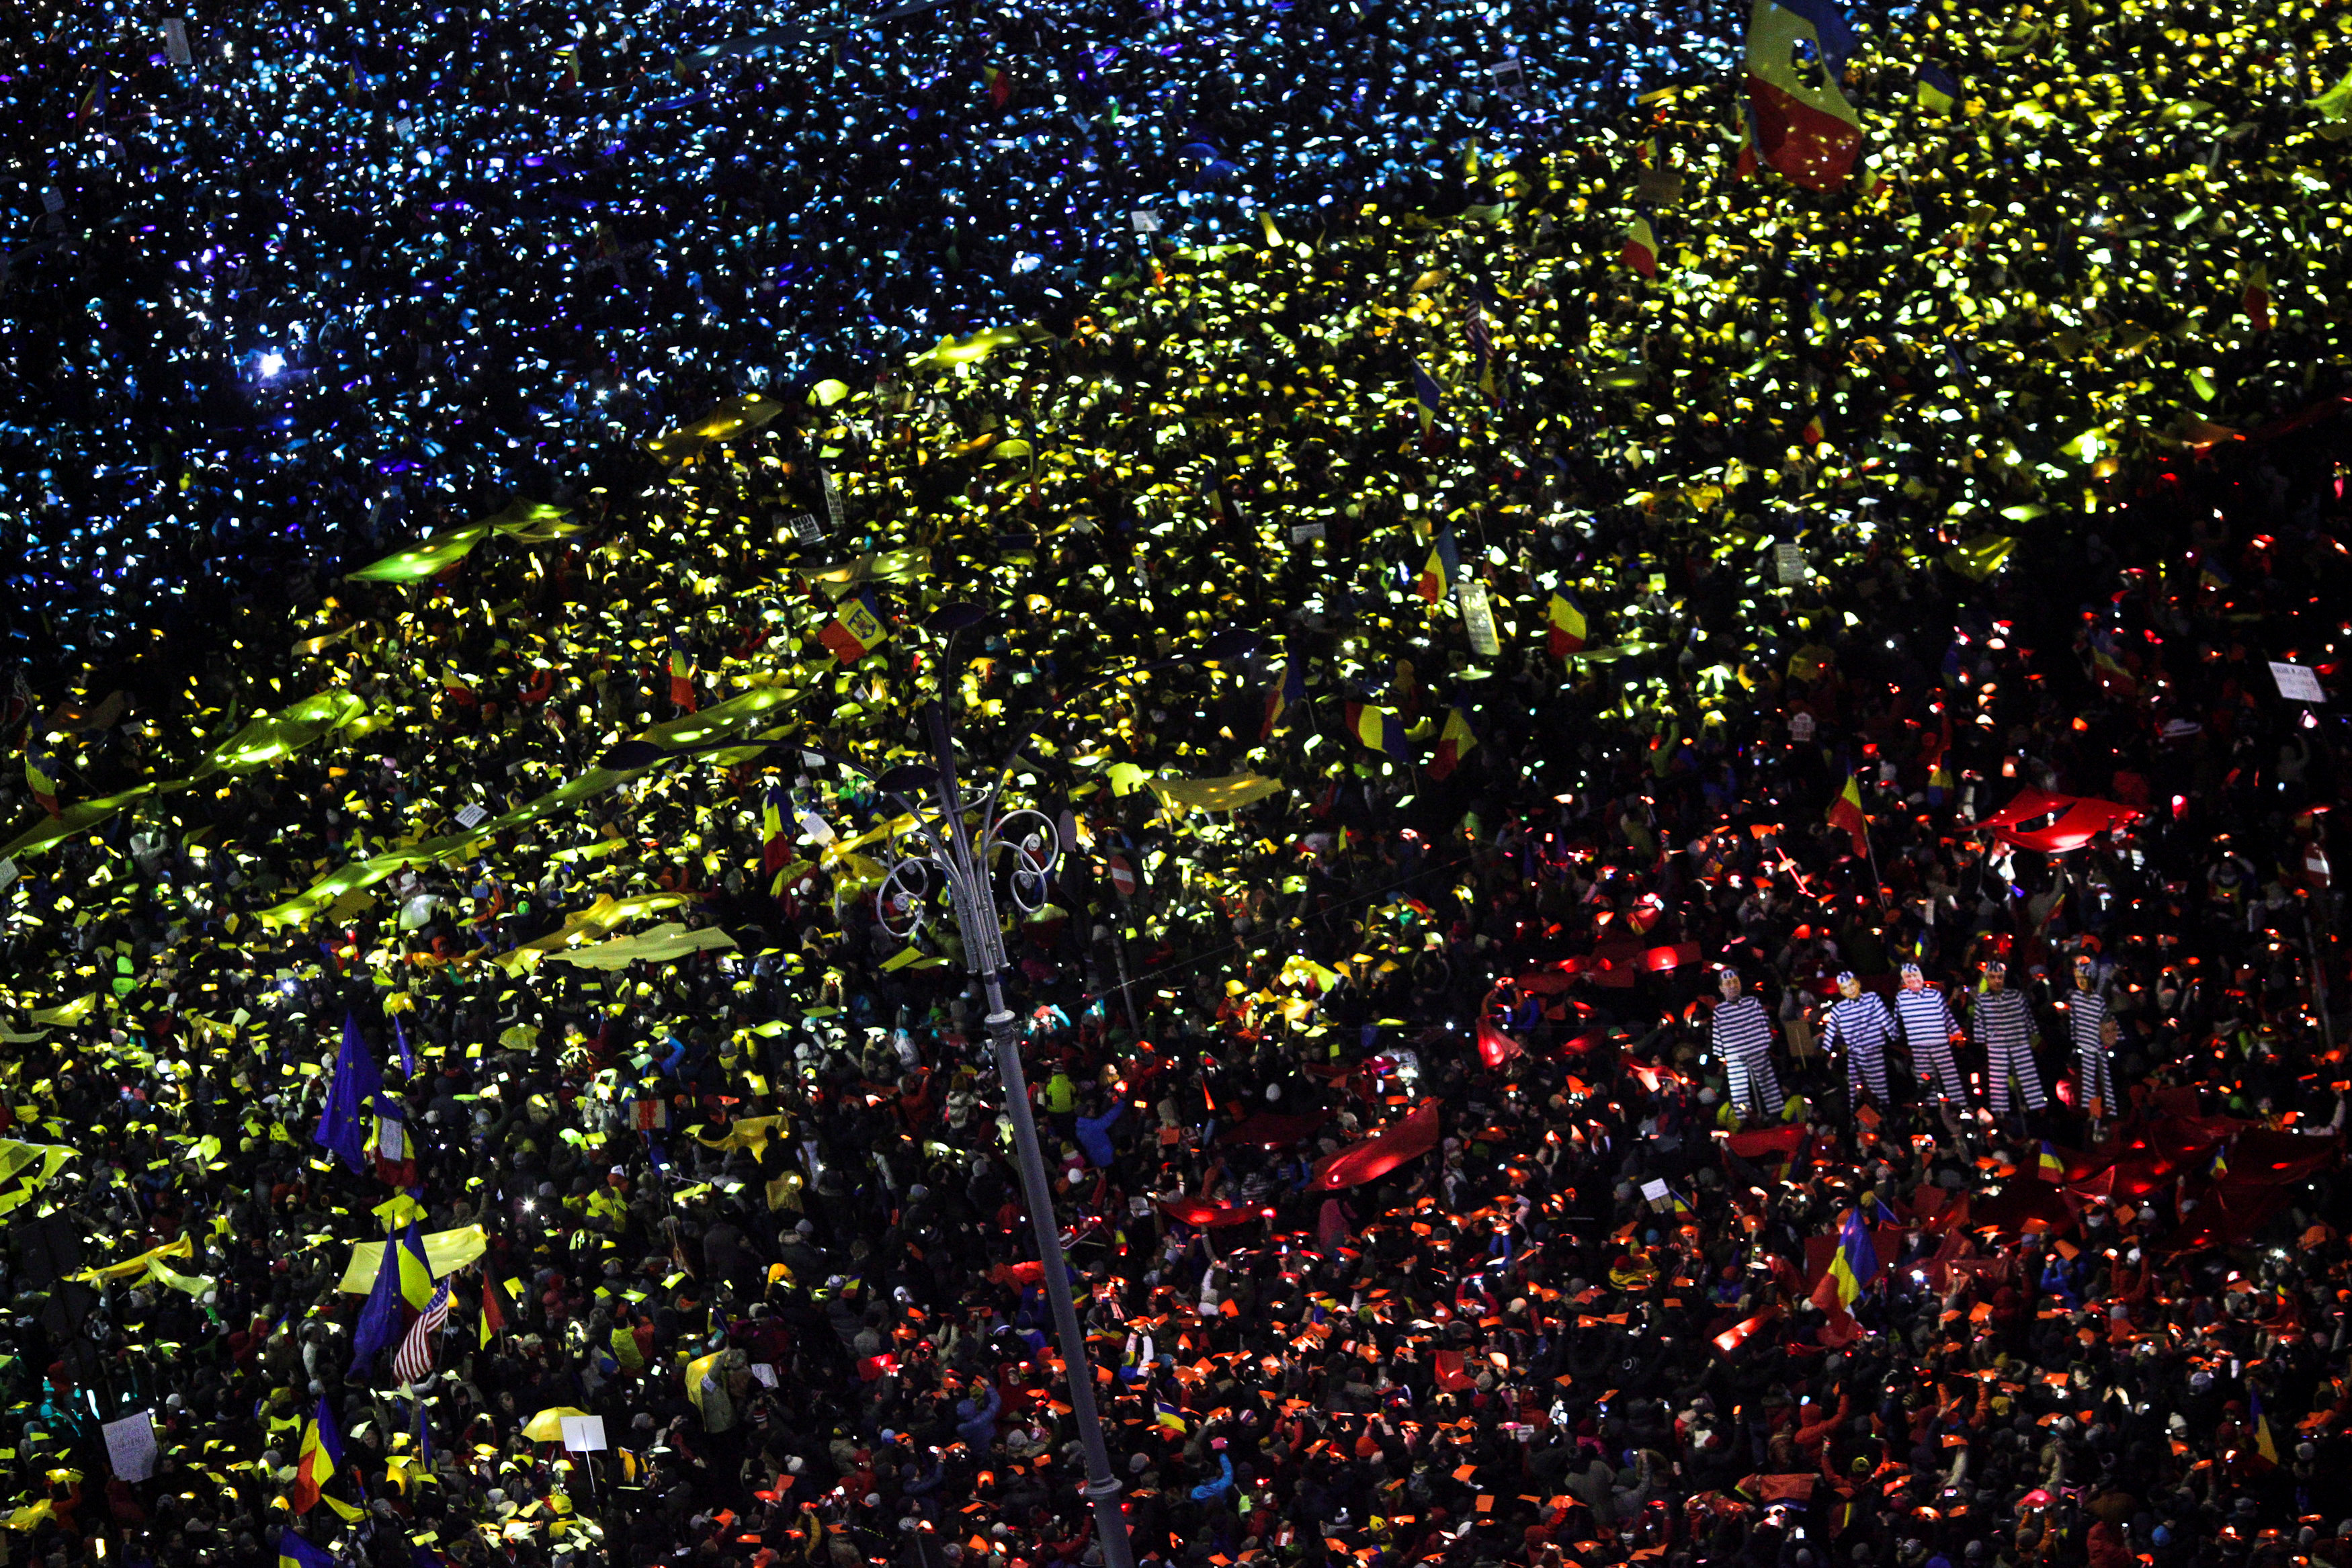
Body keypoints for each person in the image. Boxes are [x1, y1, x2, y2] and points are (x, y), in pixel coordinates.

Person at [1972, 959, 2046, 1122]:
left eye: (1999, 977)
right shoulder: (1983, 1000)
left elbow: (2028, 1019)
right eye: (1992, 977)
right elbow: (1979, 1022)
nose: (1997, 980)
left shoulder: (2016, 995)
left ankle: (2034, 1111)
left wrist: (2032, 1036)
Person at [1710, 967, 1783, 1121]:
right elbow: (1717, 1033)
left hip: (1757, 1051)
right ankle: (1745, 1119)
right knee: (1739, 1090)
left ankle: (1776, 1114)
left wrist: (1766, 1041)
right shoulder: (1720, 1011)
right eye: (1728, 983)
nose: (1732, 986)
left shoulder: (1753, 1002)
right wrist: (1719, 1053)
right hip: (1736, 1057)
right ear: (1721, 989)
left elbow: (1764, 1022)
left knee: (1768, 1083)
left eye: (1735, 982)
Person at [1819, 970, 1896, 1108]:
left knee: (1881, 1089)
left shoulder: (1872, 998)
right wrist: (1825, 1050)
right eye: (1845, 988)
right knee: (1858, 1090)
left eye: (1852, 985)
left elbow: (1886, 1021)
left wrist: (1894, 1035)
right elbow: (1831, 1033)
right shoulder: (1839, 1009)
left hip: (1875, 1050)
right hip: (1856, 1054)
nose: (1850, 989)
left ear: (1858, 984)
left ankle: (1884, 1111)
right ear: (1842, 991)